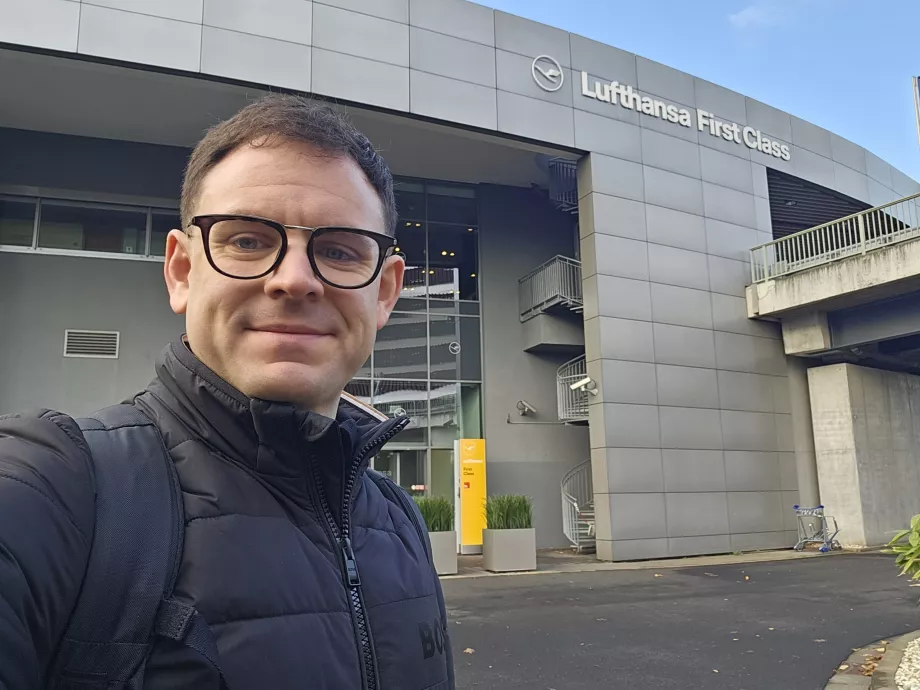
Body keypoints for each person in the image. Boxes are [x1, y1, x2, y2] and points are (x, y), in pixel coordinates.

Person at [0, 94, 455, 690]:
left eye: (340, 251)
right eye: (246, 241)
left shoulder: (398, 521)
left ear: (386, 293)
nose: (294, 279)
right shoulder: (51, 490)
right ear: (182, 271)